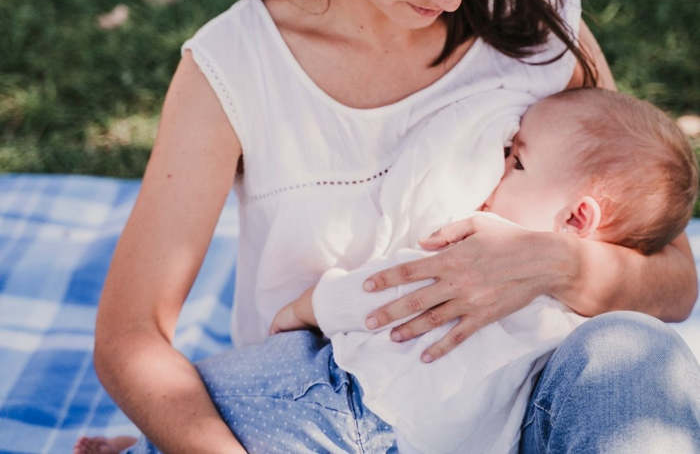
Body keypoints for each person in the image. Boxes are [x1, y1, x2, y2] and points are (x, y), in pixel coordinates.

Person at [75, 0, 699, 453]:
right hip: (333, 421)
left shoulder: (541, 31)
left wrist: (560, 266)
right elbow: (131, 337)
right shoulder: (237, 67)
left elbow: (674, 280)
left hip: (529, 415)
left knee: (637, 355)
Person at [252, 87, 697, 454]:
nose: (498, 168)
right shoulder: (580, 321)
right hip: (404, 434)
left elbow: (390, 286)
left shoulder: (491, 249)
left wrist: (306, 307)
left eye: (517, 161)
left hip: (344, 401)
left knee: (226, 393)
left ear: (577, 219)